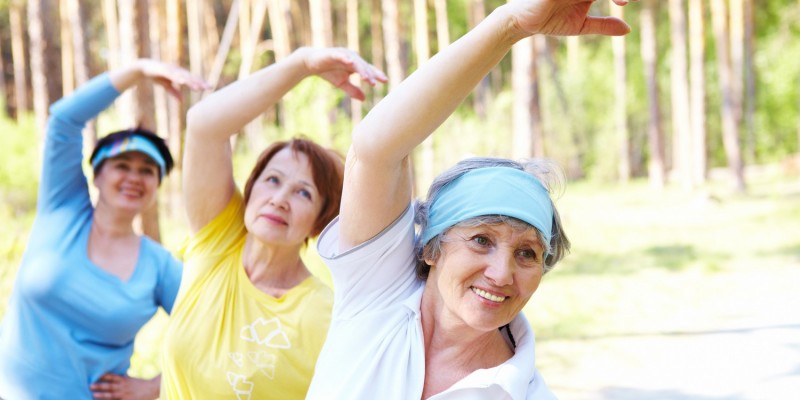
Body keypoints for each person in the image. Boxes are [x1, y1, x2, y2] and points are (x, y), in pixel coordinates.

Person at [305, 0, 635, 398]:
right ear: (431, 248)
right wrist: (509, 25)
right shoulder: (376, 293)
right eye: (481, 240)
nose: (501, 274)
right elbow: (376, 148)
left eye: (528, 253)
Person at [158, 47, 386, 399]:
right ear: (249, 192)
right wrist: (302, 64)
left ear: (319, 221)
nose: (279, 199)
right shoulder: (216, 242)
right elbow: (204, 124)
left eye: (303, 193)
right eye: (273, 180)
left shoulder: (325, 315)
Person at [0, 60, 208, 400]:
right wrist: (138, 69)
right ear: (96, 175)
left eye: (147, 170)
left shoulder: (159, 266)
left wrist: (155, 386)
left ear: (156, 185)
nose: (133, 177)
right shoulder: (61, 210)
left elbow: (213, 328)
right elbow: (64, 120)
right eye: (121, 165)